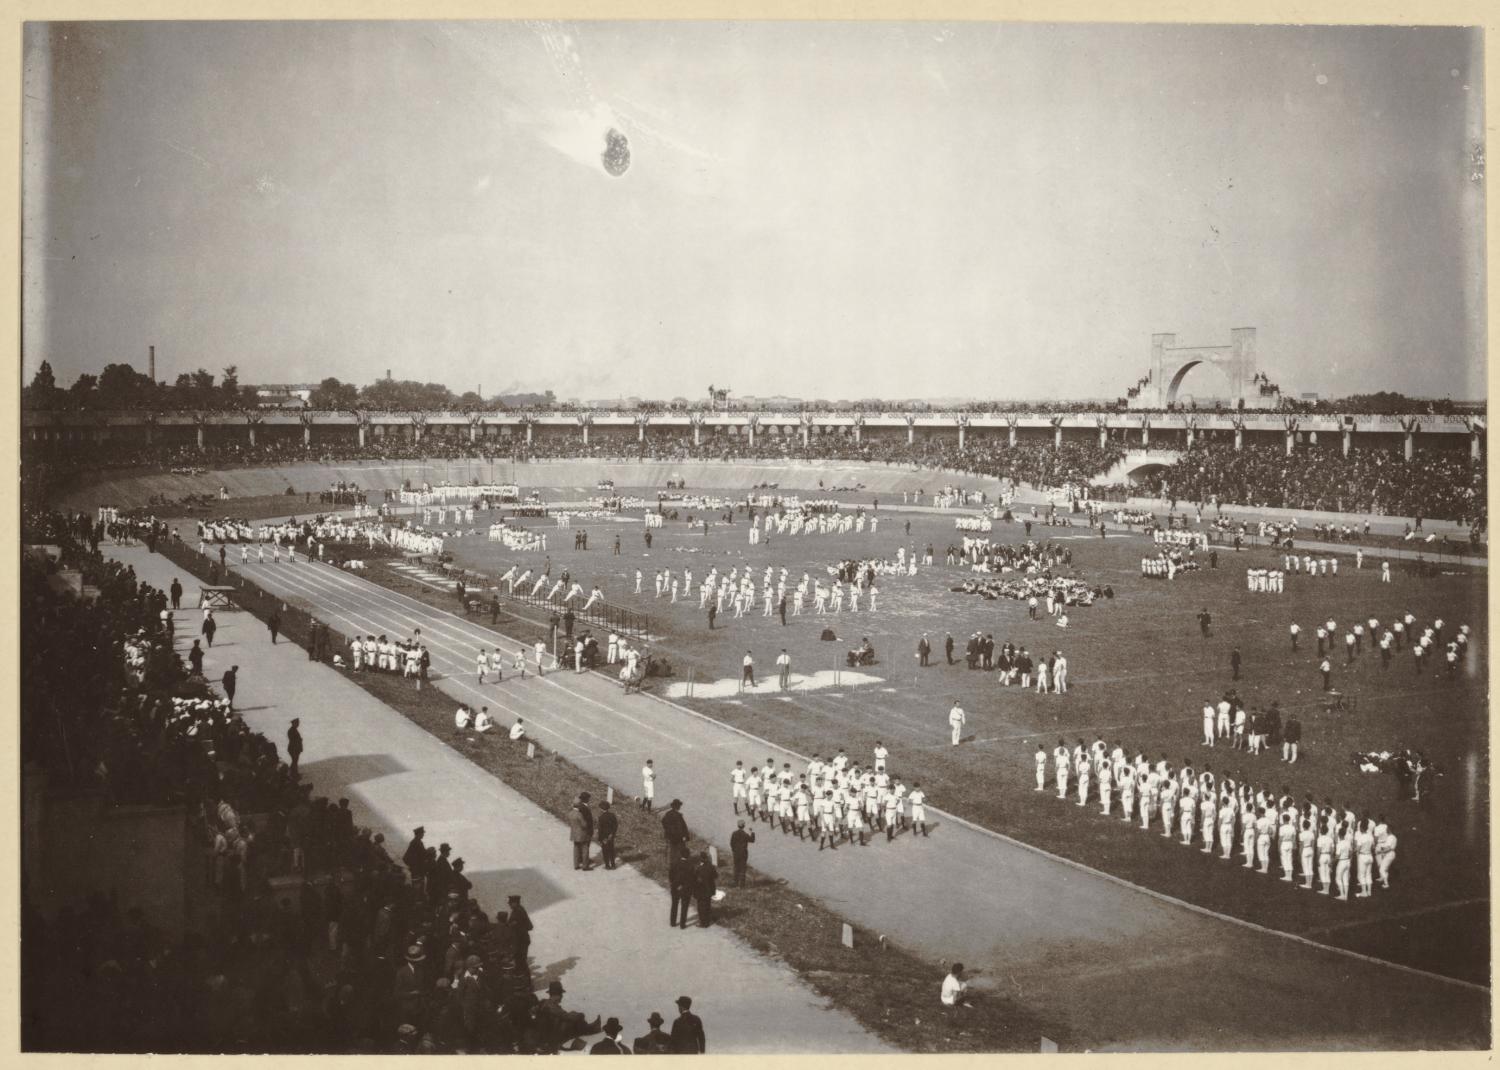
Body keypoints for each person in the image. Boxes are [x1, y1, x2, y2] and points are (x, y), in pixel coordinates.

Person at [668, 847, 693, 929]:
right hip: (686, 888)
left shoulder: (674, 863)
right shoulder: (690, 865)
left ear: (681, 854)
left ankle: (673, 922)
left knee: (674, 904)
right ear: (688, 855)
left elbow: (671, 876)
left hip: (675, 887)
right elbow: (691, 879)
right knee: (684, 906)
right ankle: (682, 924)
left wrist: (675, 884)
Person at [692, 851, 717, 927]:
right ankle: (707, 921)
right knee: (707, 905)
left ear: (701, 859)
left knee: (700, 907)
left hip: (701, 890)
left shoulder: (698, 868)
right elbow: (716, 876)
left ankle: (702, 922)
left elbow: (694, 878)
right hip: (709, 889)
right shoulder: (711, 867)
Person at [569, 798, 593, 871]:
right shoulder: (579, 814)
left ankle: (576, 864)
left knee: (576, 849)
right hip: (582, 834)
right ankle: (585, 866)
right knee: (585, 849)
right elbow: (584, 824)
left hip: (574, 834)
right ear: (579, 805)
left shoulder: (570, 813)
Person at [730, 819, 755, 887]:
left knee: (736, 867)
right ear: (744, 826)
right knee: (743, 868)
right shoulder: (745, 834)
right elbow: (752, 840)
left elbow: (731, 843)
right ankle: (742, 885)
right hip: (743, 853)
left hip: (736, 853)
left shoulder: (734, 833)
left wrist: (734, 850)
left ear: (738, 826)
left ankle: (735, 882)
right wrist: (752, 832)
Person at [597, 801, 619, 870]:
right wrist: (612, 834)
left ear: (601, 809)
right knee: (611, 850)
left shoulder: (601, 817)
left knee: (605, 851)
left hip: (604, 837)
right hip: (611, 836)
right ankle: (613, 865)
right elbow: (615, 825)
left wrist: (600, 838)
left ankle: (607, 865)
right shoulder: (612, 815)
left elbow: (600, 829)